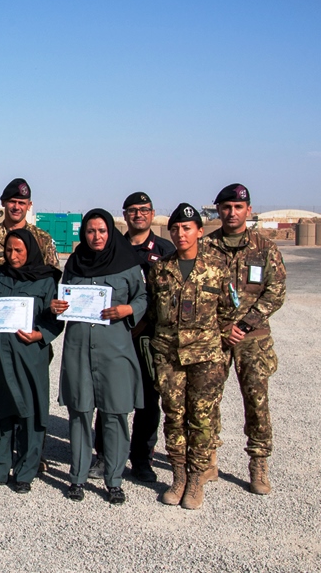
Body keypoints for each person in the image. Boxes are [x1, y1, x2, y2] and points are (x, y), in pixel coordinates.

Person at [52, 209, 147, 504]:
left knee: (115, 413)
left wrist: (127, 310)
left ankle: (114, 480)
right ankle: (78, 477)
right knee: (80, 412)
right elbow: (63, 295)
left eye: (102, 231)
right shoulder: (75, 264)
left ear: (111, 232)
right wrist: (58, 307)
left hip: (114, 349)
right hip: (79, 347)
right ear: (84, 233)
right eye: (91, 231)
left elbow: (143, 297)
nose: (96, 237)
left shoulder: (127, 264)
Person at [148, 203, 233, 509]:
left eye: (187, 228)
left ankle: (197, 479)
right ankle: (179, 475)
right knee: (173, 416)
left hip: (205, 357)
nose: (180, 234)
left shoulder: (217, 267)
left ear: (199, 231)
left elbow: (229, 310)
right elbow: (153, 312)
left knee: (201, 418)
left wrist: (216, 344)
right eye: (175, 229)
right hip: (169, 356)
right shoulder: (161, 269)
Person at [203, 183, 286, 495]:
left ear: (248, 210)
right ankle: (207, 458)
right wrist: (220, 327)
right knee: (207, 397)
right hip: (216, 336)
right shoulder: (207, 246)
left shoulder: (265, 249)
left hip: (254, 338)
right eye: (226, 207)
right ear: (219, 210)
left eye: (238, 207)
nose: (232, 213)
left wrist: (248, 323)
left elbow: (276, 291)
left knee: (256, 400)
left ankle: (259, 461)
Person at [89, 192, 176, 483]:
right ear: (124, 215)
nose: (138, 215)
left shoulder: (165, 250)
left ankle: (141, 458)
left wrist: (140, 319)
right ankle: (105, 455)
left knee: (149, 400)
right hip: (116, 335)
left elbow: (168, 296)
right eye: (132, 210)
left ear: (152, 214)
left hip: (148, 338)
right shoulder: (114, 246)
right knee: (108, 395)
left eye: (144, 210)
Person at [0, 229, 63, 493]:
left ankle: (25, 471)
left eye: (19, 251)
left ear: (31, 250)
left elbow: (55, 318)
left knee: (30, 414)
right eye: (9, 250)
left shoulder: (46, 280)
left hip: (29, 356)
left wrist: (41, 334)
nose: (13, 256)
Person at [0, 178, 60, 288]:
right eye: (12, 202)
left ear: (29, 205)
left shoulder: (43, 239)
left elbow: (52, 274)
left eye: (21, 203)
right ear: (3, 203)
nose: (16, 207)